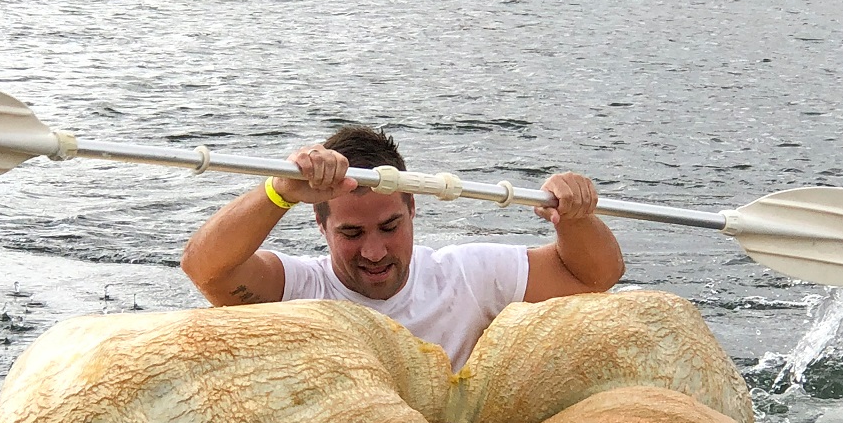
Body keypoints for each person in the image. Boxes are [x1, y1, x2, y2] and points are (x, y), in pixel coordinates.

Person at [181, 126, 624, 372]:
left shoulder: (467, 276)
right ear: (321, 225)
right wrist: (279, 192)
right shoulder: (299, 287)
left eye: (390, 226)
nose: (374, 252)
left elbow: (595, 276)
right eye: (351, 234)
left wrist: (577, 219)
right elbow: (206, 270)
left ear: (413, 210)